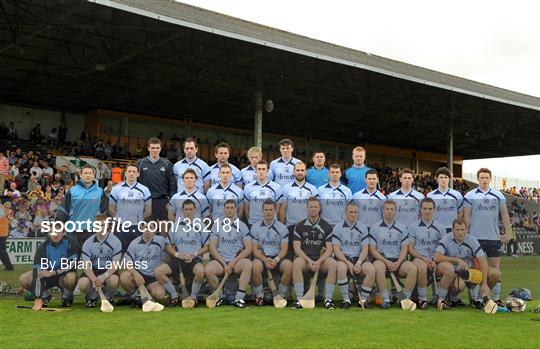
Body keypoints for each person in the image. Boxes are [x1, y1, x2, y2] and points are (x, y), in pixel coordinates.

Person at [463, 168, 511, 306]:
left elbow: (505, 215)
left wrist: (508, 232)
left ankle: (495, 298)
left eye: (486, 177)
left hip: (493, 238)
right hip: (475, 238)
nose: (484, 180)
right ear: (478, 179)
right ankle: (478, 299)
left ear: (490, 179)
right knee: (477, 270)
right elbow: (466, 215)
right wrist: (466, 233)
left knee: (495, 270)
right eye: (482, 177)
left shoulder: (498, 195)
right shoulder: (470, 195)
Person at [433, 218, 500, 310]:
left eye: (462, 230)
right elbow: (436, 257)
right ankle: (447, 298)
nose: (460, 232)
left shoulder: (472, 240)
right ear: (452, 230)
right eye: (457, 230)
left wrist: (484, 283)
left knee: (496, 274)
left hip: (470, 271)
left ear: (467, 229)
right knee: (458, 287)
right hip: (454, 272)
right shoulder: (447, 238)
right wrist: (455, 259)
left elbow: (482, 261)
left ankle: (479, 300)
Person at [158, 200, 209, 306]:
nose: (188, 212)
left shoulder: (201, 225)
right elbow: (167, 245)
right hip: (178, 259)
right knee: (159, 272)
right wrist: (177, 254)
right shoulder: (176, 225)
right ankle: (174, 295)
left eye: (191, 209)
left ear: (195, 210)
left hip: (194, 259)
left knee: (200, 271)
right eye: (186, 209)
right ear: (182, 210)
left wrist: (194, 254)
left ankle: (193, 297)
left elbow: (207, 246)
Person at [370, 200, 417, 309]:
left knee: (413, 268)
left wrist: (399, 262)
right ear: (382, 210)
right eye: (387, 209)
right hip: (382, 259)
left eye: (392, 209)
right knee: (378, 267)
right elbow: (372, 249)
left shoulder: (401, 227)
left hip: (398, 260)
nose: (389, 211)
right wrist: (386, 261)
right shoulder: (375, 227)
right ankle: (385, 299)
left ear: (396, 211)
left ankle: (405, 299)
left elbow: (404, 248)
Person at [291, 197, 336, 310]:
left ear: (320, 208)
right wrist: (309, 261)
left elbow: (329, 249)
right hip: (306, 260)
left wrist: (319, 261)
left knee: (333, 264)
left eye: (315, 206)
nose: (313, 209)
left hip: (322, 260)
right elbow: (297, 248)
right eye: (311, 207)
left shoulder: (327, 226)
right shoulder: (300, 225)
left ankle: (328, 300)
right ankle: (299, 299)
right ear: (307, 208)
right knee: (296, 263)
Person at [205, 200, 252, 308]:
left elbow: (248, 248)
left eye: (232, 208)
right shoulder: (217, 225)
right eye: (227, 208)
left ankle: (239, 298)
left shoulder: (242, 226)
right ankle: (219, 297)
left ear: (236, 209)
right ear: (224, 209)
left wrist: (233, 262)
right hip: (220, 261)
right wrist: (225, 264)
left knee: (248, 264)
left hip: (236, 261)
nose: (230, 210)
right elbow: (212, 248)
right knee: (208, 269)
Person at [18, 229, 80, 310]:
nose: (55, 235)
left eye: (58, 231)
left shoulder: (71, 242)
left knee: (72, 277)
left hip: (64, 276)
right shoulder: (42, 247)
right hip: (46, 278)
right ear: (49, 233)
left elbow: (72, 264)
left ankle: (67, 295)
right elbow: (37, 271)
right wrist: (38, 298)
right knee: (24, 279)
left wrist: (54, 272)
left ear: (63, 232)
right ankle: (44, 296)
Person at [332, 202, 375, 308]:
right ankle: (346, 299)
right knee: (341, 268)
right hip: (344, 258)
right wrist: (348, 263)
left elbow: (365, 249)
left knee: (371, 270)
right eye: (351, 212)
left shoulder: (363, 227)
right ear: (345, 213)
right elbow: (337, 251)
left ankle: (363, 300)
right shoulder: (338, 227)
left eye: (355, 212)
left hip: (359, 258)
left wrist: (359, 262)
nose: (353, 214)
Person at [250, 199, 292, 305]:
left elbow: (284, 249)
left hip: (277, 258)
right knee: (255, 266)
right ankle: (259, 296)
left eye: (270, 210)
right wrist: (265, 259)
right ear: (262, 211)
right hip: (262, 258)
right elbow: (254, 249)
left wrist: (276, 260)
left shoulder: (282, 228)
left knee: (289, 266)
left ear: (275, 211)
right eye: (266, 210)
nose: (268, 212)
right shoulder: (255, 227)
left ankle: (281, 295)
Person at [406, 198, 446, 309]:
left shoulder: (441, 227)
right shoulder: (413, 226)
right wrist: (424, 259)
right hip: (418, 258)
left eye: (430, 209)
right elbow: (411, 248)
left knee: (449, 269)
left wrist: (434, 259)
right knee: (422, 267)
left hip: (435, 259)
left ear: (434, 210)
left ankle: (443, 298)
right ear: (420, 210)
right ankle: (423, 299)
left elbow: (442, 248)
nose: (427, 211)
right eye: (424, 208)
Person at [56, 165, 108, 247]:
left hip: (92, 231)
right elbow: (64, 210)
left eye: (90, 173)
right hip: (73, 230)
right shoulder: (72, 191)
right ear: (80, 175)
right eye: (85, 173)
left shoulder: (100, 192)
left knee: (89, 258)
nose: (88, 175)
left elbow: (104, 213)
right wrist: (58, 227)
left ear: (94, 175)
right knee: (73, 257)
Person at [77, 214, 122, 307]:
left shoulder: (116, 241)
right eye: (98, 225)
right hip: (93, 269)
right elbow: (86, 266)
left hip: (108, 270)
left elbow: (115, 264)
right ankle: (92, 297)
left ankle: (108, 296)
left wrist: (104, 276)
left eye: (103, 225)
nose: (101, 228)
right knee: (82, 284)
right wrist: (94, 280)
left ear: (107, 226)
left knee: (114, 280)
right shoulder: (88, 243)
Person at [120, 224, 170, 305]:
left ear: (155, 229)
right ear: (142, 229)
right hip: (139, 274)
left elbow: (170, 249)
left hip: (152, 276)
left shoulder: (161, 240)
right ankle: (135, 296)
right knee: (124, 277)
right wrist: (136, 274)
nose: (147, 230)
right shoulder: (134, 243)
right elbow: (126, 262)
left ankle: (143, 296)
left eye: (150, 228)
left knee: (160, 294)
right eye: (145, 227)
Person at [109, 165, 152, 252]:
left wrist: (137, 220)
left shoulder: (145, 190)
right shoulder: (116, 189)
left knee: (136, 252)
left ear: (138, 174)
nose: (131, 174)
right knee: (119, 252)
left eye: (134, 172)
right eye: (129, 171)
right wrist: (119, 220)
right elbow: (111, 209)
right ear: (125, 173)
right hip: (120, 226)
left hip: (137, 227)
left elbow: (148, 211)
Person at [136, 137, 177, 220]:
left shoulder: (167, 163)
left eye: (157, 148)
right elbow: (134, 182)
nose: (155, 150)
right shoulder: (140, 163)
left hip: (163, 201)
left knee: (163, 230)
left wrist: (172, 201)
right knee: (147, 230)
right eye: (153, 148)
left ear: (160, 148)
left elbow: (173, 184)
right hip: (145, 201)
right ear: (148, 148)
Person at [279, 162, 318, 228]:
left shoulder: (313, 189)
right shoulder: (286, 188)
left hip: (308, 226)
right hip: (291, 226)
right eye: (297, 170)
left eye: (302, 170)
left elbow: (316, 209)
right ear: (294, 172)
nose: (300, 172)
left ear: (306, 172)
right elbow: (283, 209)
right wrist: (281, 227)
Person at [243, 160, 282, 226]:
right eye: (259, 169)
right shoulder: (248, 187)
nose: (261, 172)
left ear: (267, 171)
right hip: (253, 223)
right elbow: (246, 208)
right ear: (255, 171)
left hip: (271, 223)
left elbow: (277, 208)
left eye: (263, 169)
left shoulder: (276, 187)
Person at [427, 167, 464, 233]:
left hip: (452, 229)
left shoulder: (457, 195)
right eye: (441, 177)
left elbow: (460, 213)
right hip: (435, 228)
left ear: (449, 179)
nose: (443, 180)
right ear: (437, 178)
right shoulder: (430, 196)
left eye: (445, 177)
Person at [0, 203, 13, 271]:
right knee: (1, 250)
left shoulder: (2, 209)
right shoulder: (3, 209)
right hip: (2, 232)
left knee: (2, 250)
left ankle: (9, 266)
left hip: (2, 232)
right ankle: (8, 266)